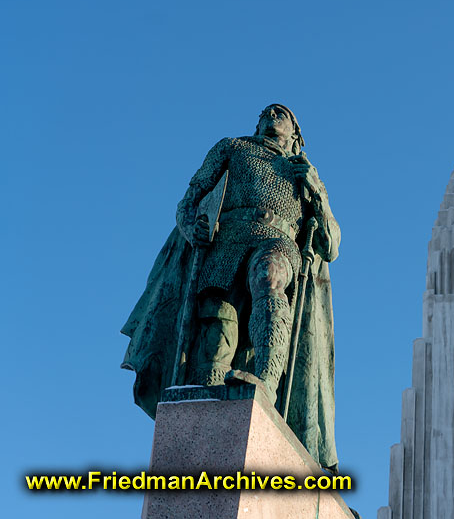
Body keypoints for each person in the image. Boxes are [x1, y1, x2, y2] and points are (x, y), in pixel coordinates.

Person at [121, 104, 340, 471]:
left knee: (270, 277)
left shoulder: (306, 173)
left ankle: (267, 382)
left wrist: (316, 190)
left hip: (277, 241)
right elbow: (188, 200)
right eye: (267, 112)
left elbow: (330, 245)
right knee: (217, 324)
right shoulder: (233, 147)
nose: (272, 115)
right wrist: (193, 227)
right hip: (228, 242)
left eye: (281, 113)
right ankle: (206, 399)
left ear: (295, 133)